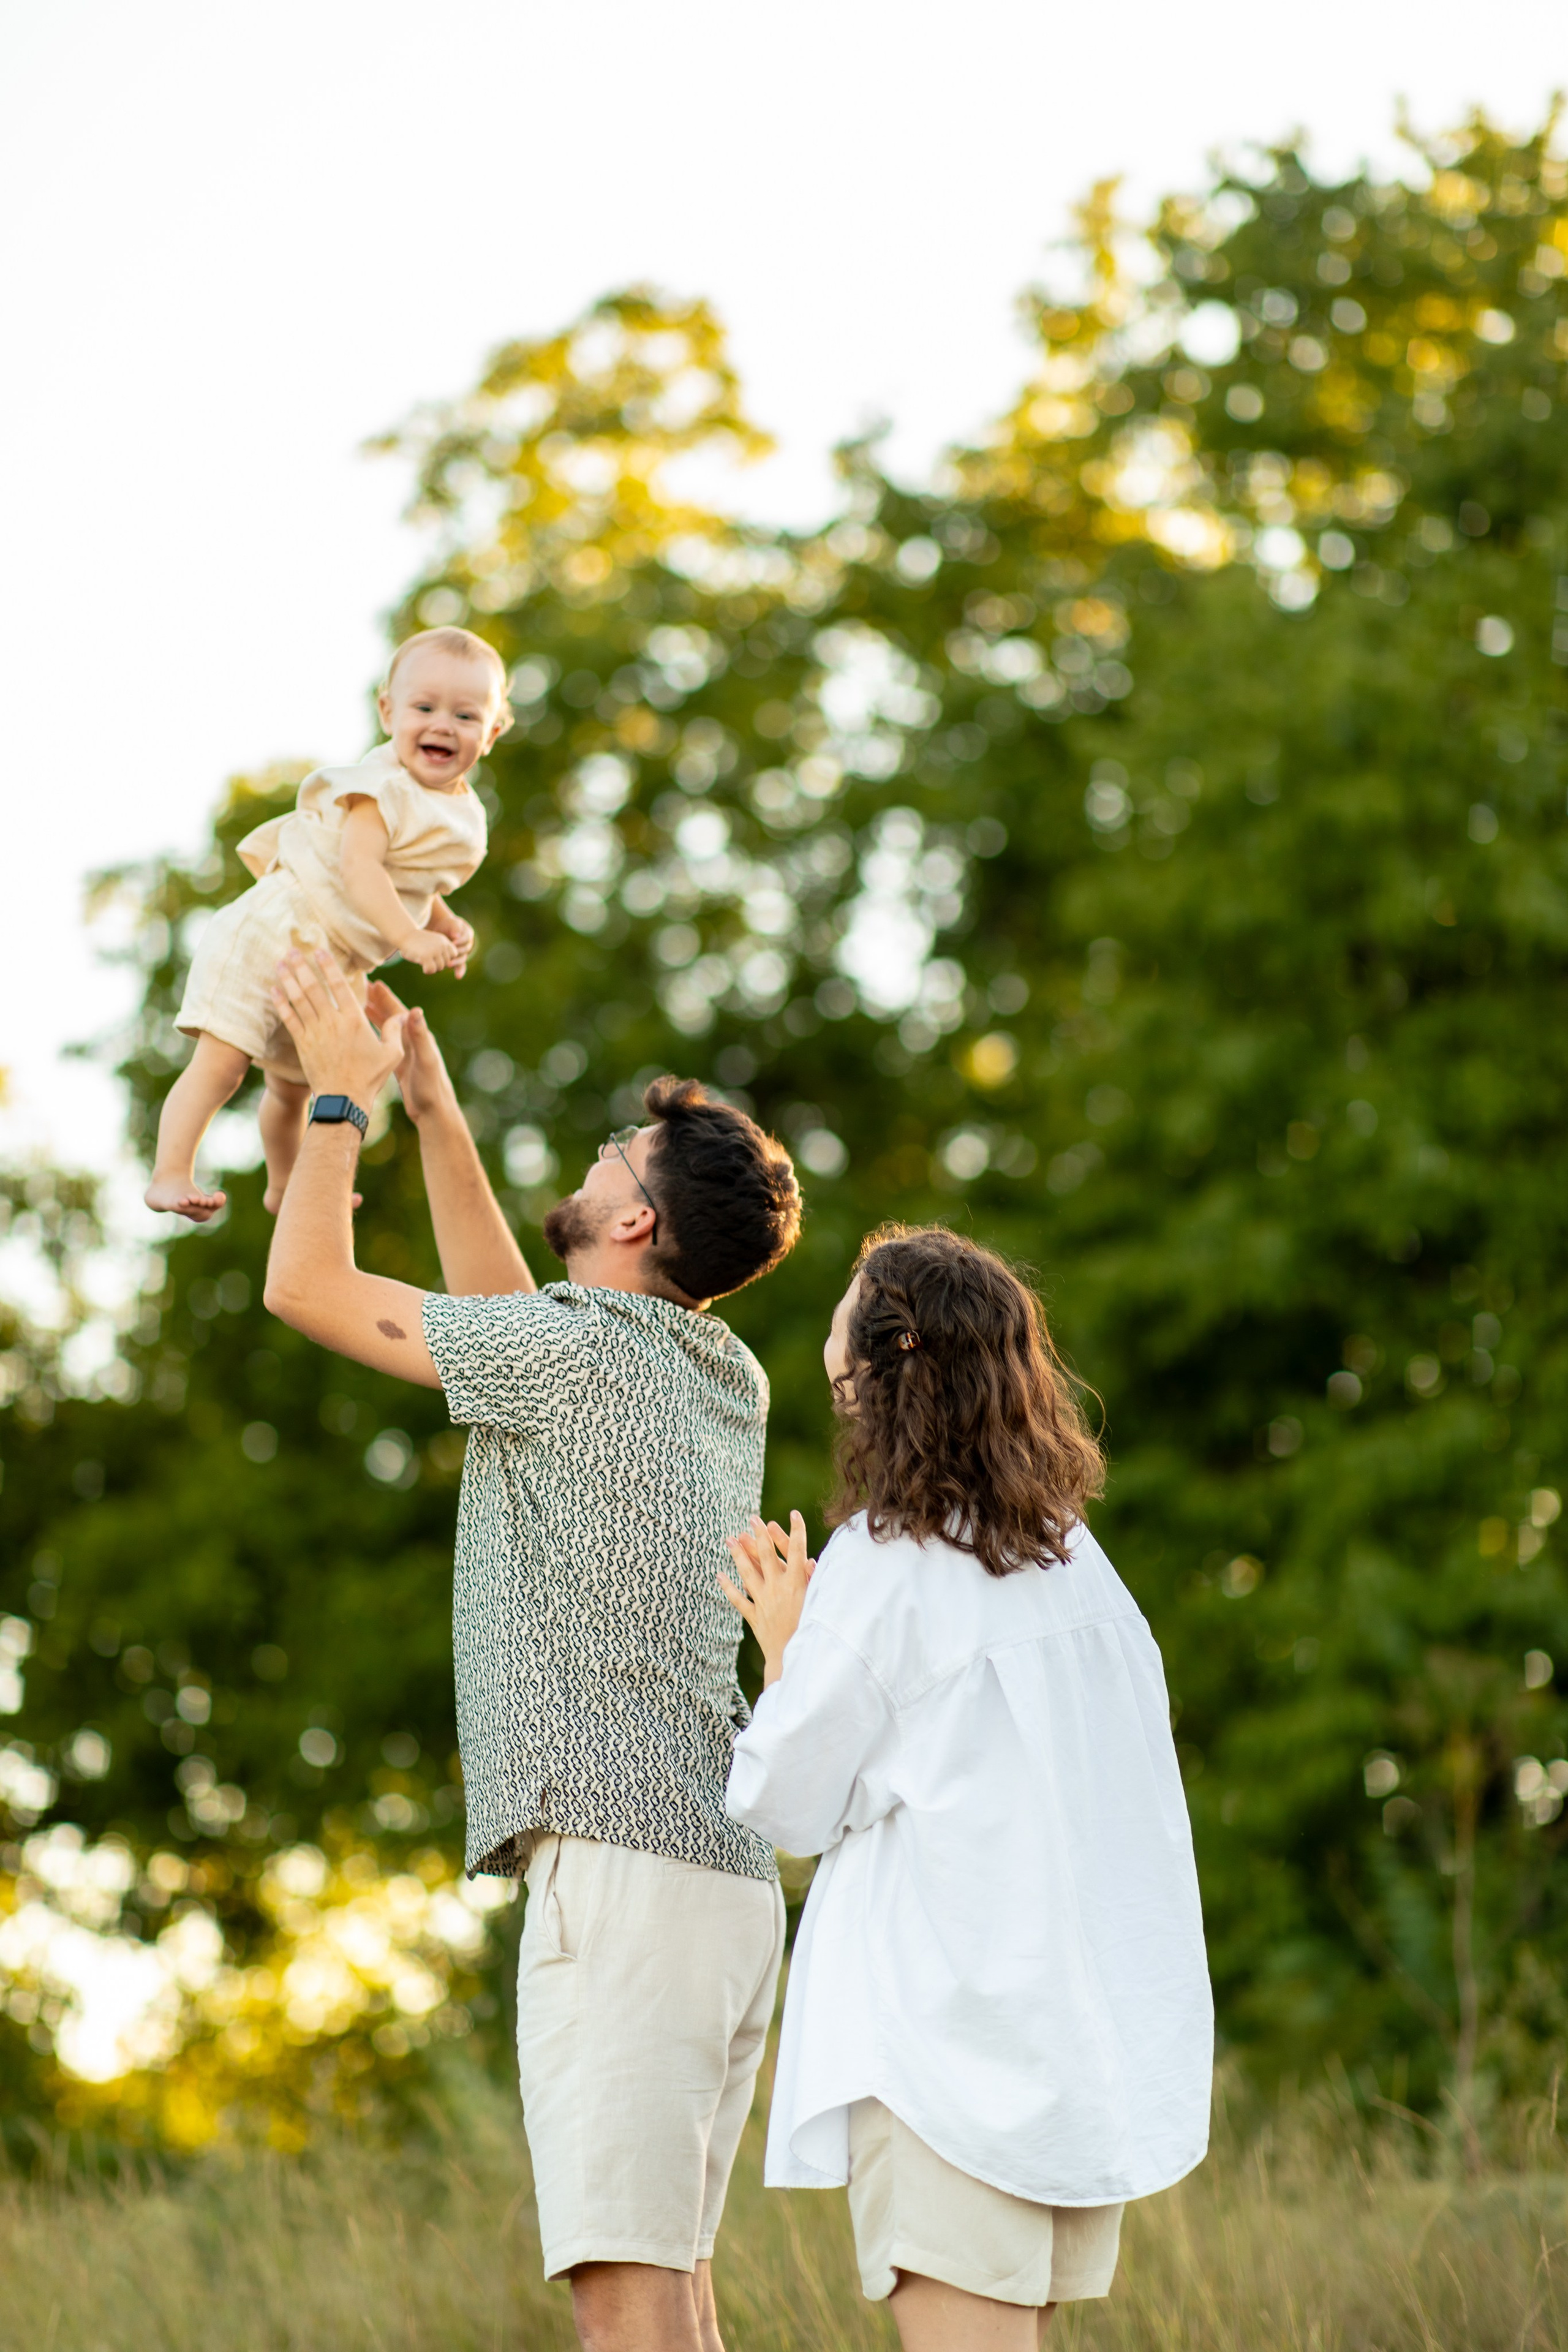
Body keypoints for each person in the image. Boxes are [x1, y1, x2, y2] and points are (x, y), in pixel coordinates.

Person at [261, 946, 801, 2352]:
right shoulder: (713, 1372)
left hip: (619, 1877)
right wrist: (436, 1112)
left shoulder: (571, 1357)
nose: (594, 1156)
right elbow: (522, 1328)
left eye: (611, 1153)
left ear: (631, 1220)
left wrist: (340, 1100)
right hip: (720, 1885)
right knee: (673, 2297)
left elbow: (305, 1286)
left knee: (625, 2307)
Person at [720, 1226, 1213, 2352]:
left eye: (845, 1309)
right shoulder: (1074, 1562)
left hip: (948, 2057)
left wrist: (786, 1644)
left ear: (877, 1360)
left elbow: (787, 1802)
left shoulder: (886, 1563)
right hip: (1066, 2046)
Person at [146, 627, 510, 1222]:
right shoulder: (380, 786)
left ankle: (284, 1186)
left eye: (465, 715)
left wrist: (443, 922)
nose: (443, 725)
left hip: (331, 962)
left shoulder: (458, 810)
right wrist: (409, 937)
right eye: (424, 708)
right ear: (388, 712)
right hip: (276, 928)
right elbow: (360, 867)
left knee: (295, 1086)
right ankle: (169, 1172)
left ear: (491, 733)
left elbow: (412, 880)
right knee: (223, 1063)